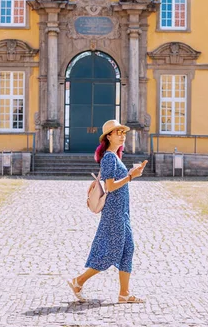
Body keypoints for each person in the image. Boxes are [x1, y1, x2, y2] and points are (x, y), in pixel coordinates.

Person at [68, 119, 148, 304]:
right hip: (114, 212)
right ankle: (78, 281)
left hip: (122, 211)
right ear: (108, 136)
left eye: (123, 132)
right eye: (118, 132)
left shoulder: (115, 157)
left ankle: (124, 294)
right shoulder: (109, 158)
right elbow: (110, 186)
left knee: (128, 249)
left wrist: (132, 174)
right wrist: (131, 176)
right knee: (111, 252)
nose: (122, 136)